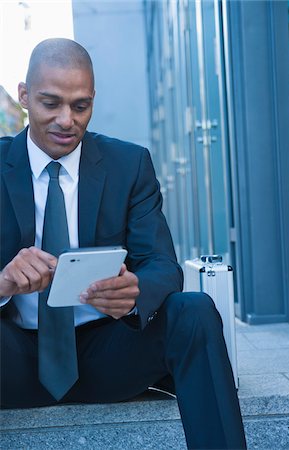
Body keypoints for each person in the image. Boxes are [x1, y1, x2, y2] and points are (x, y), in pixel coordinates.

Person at [0, 38, 246, 449]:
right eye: (50, 103)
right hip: (15, 358)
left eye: (80, 106)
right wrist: (3, 282)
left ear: (93, 99)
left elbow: (162, 266)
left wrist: (135, 293)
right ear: (24, 96)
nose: (67, 120)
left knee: (193, 310)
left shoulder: (129, 165)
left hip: (105, 354)